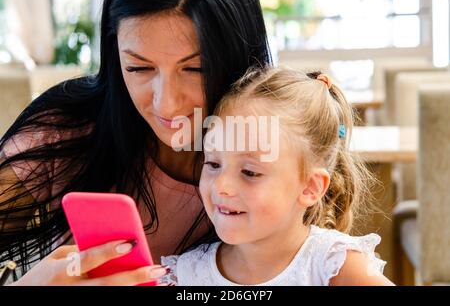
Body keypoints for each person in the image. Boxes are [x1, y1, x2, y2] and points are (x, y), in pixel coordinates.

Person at [0, 0, 272, 286]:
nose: (166, 104)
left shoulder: (288, 146)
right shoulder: (62, 132)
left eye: (197, 68)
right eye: (139, 67)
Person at [159, 67, 395, 285]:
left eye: (249, 172)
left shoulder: (336, 267)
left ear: (310, 187)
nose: (221, 185)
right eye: (212, 163)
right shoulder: (186, 275)